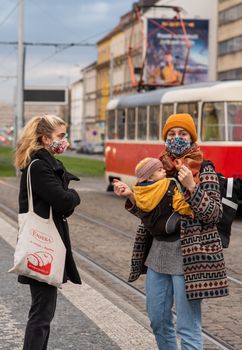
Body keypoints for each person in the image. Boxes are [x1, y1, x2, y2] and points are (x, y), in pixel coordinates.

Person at [113, 113, 228, 350]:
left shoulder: (204, 168)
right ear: (165, 139)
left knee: (187, 326)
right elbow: (151, 215)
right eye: (172, 134)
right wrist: (132, 197)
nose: (177, 138)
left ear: (192, 137)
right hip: (158, 254)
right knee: (158, 320)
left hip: (189, 256)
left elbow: (214, 214)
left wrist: (191, 187)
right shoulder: (156, 168)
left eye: (182, 134)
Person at [15, 114, 81, 350]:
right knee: (41, 314)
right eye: (61, 136)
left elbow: (60, 205)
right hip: (42, 246)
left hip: (44, 244)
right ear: (45, 138)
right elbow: (64, 202)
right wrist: (75, 196)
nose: (65, 140)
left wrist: (67, 200)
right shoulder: (39, 166)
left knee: (43, 312)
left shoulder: (41, 164)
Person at [116, 156, 193, 238]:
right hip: (169, 226)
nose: (164, 170)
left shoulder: (139, 190)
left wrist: (130, 195)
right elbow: (179, 203)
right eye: (160, 170)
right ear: (149, 177)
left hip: (152, 230)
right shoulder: (167, 185)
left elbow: (139, 207)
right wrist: (189, 212)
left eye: (162, 168)